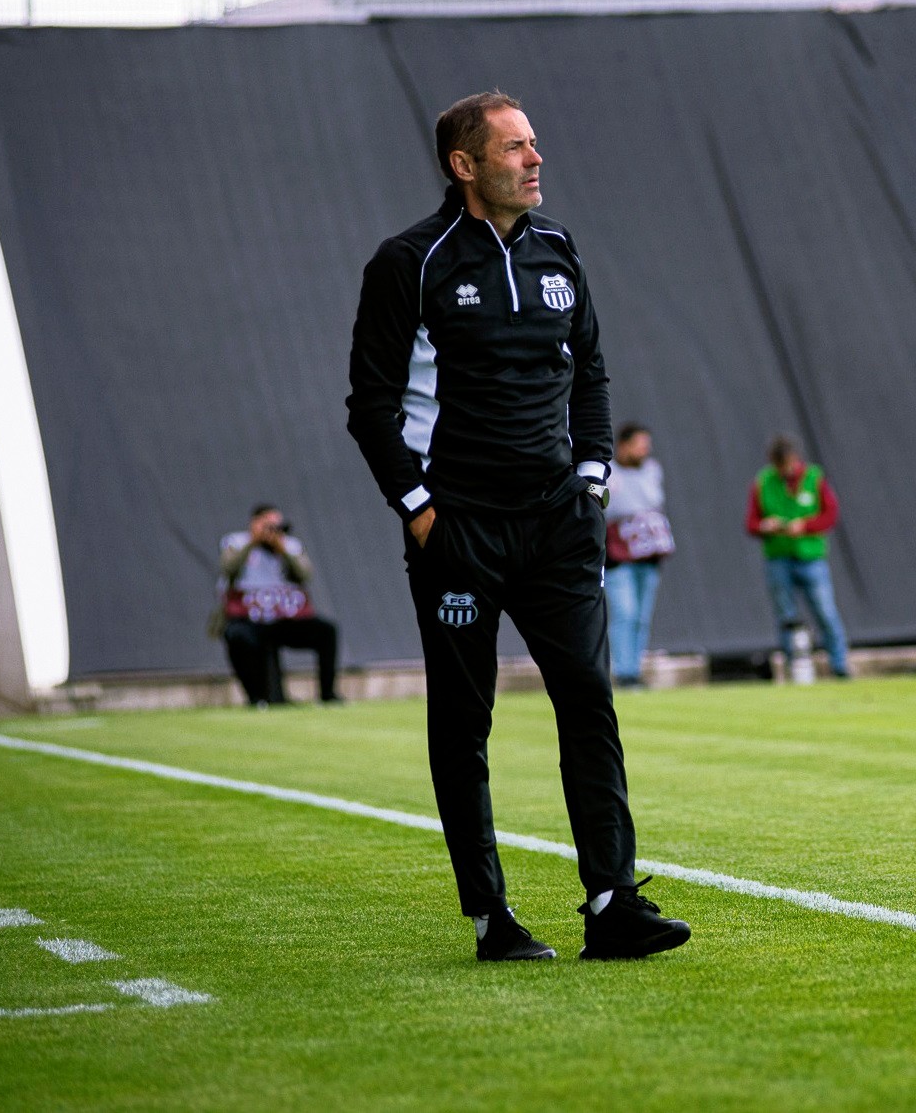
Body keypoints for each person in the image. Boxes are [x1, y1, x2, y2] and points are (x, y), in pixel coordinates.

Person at [346, 91, 689, 963]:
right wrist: (421, 513)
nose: (535, 159)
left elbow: (591, 373)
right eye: (513, 148)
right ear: (464, 165)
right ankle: (490, 918)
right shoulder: (409, 262)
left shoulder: (559, 249)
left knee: (589, 700)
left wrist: (592, 482)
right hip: (459, 531)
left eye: (534, 143)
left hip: (557, 527)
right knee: (465, 725)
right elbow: (371, 405)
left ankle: (612, 903)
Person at [746, 435, 850, 678]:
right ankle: (795, 668)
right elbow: (751, 523)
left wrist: (805, 526)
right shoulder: (763, 482)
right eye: (778, 464)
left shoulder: (814, 477)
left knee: (825, 611)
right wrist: (765, 526)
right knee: (786, 616)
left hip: (811, 557)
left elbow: (830, 515)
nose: (784, 469)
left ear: (795, 458)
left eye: (786, 463)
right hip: (778, 557)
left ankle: (839, 665)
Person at [218, 504, 340, 706]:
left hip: (284, 618)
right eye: (268, 526)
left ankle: (328, 694)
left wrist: (282, 550)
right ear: (254, 524)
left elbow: (305, 574)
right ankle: (257, 698)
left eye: (277, 526)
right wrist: (253, 542)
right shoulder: (236, 543)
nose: (273, 531)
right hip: (250, 618)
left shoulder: (290, 546)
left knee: (327, 631)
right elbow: (227, 569)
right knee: (235, 635)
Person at [603, 422, 673, 689]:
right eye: (639, 445)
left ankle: (634, 668)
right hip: (619, 557)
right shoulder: (608, 472)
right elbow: (611, 509)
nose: (645, 450)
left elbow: (654, 503)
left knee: (641, 617)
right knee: (626, 613)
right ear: (623, 445)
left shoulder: (652, 470)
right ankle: (624, 672)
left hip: (648, 555)